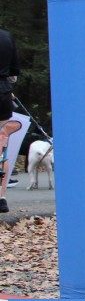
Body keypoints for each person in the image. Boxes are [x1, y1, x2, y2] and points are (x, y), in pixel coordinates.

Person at [0, 27, 20, 213]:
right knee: (0, 145)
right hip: (2, 93)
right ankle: (1, 196)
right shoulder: (6, 36)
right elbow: (14, 71)